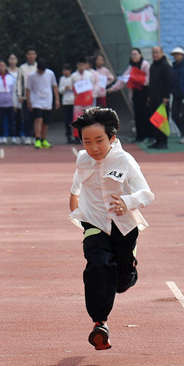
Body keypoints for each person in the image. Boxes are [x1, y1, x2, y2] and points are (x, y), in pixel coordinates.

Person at [69, 107, 154, 350]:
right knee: (98, 265)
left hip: (124, 226)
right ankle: (99, 323)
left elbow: (147, 194)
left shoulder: (124, 160)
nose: (93, 148)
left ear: (112, 138)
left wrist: (126, 202)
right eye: (87, 142)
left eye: (99, 141)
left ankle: (129, 272)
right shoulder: (83, 160)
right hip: (94, 223)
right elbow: (75, 187)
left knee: (121, 281)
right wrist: (76, 211)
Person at [109, 48, 152, 144]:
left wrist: (136, 78)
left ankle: (148, 136)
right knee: (137, 115)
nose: (134, 56)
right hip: (136, 94)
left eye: (135, 54)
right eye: (132, 54)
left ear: (140, 55)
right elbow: (124, 79)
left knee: (145, 115)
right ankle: (139, 136)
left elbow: (148, 80)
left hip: (145, 94)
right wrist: (113, 88)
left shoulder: (145, 65)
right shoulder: (131, 67)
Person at [25, 58, 59, 149]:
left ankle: (44, 139)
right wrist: (28, 101)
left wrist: (57, 99)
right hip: (36, 100)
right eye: (40, 70)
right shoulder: (32, 76)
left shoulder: (50, 74)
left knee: (46, 121)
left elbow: (54, 86)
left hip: (47, 100)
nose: (41, 72)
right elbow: (28, 89)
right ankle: (37, 139)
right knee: (38, 119)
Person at [147, 46, 173, 150]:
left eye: (157, 52)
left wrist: (166, 96)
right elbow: (151, 82)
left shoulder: (166, 66)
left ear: (162, 53)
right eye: (153, 52)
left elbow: (169, 82)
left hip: (162, 99)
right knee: (155, 120)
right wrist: (149, 95)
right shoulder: (153, 66)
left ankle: (163, 141)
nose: (155, 54)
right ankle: (157, 141)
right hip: (153, 98)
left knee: (162, 121)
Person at [0, 59, 16, 145]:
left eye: (3, 66)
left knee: (11, 121)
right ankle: (0, 136)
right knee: (0, 121)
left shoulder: (11, 78)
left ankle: (13, 136)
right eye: (0, 66)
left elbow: (15, 91)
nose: (2, 67)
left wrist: (15, 103)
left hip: (10, 103)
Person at [16, 47, 38, 145]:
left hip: (37, 97)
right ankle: (27, 136)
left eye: (33, 54)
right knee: (27, 117)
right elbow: (19, 81)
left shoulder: (38, 66)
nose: (31, 56)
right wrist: (20, 95)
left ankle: (35, 136)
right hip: (26, 97)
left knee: (36, 117)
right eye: (29, 54)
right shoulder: (22, 67)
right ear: (26, 55)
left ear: (36, 55)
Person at [169, 47, 184, 143]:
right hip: (176, 94)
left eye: (178, 54)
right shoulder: (173, 66)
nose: (176, 56)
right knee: (174, 114)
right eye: (174, 54)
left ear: (182, 55)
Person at [7, 53, 22, 144]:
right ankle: (12, 135)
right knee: (11, 117)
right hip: (9, 96)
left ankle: (19, 134)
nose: (12, 61)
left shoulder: (20, 70)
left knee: (19, 117)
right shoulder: (6, 71)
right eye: (11, 58)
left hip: (18, 95)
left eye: (14, 58)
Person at [58, 63, 75, 144]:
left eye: (67, 70)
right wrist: (65, 88)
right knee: (67, 120)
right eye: (64, 70)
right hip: (66, 102)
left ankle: (76, 135)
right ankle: (68, 135)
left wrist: (71, 88)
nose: (65, 72)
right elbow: (60, 90)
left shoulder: (74, 78)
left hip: (74, 101)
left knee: (75, 119)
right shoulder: (62, 79)